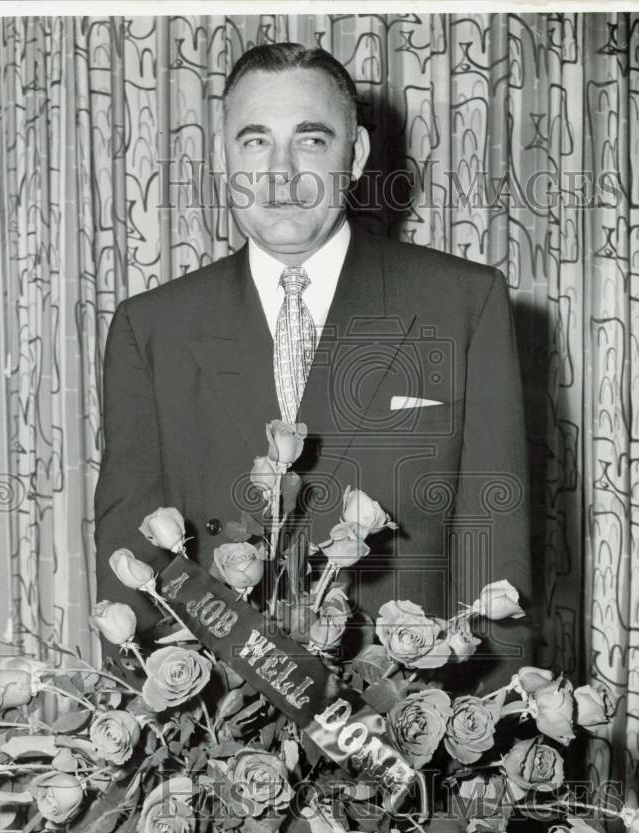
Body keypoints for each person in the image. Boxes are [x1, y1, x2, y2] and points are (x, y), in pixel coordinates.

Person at [94, 42, 532, 690]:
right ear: (222, 158)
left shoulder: (463, 305)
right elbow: (127, 568)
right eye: (253, 142)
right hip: (219, 732)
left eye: (309, 140)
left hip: (409, 733)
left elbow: (497, 555)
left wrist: (480, 756)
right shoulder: (150, 327)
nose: (279, 174)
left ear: (353, 157)